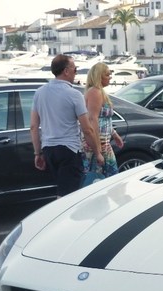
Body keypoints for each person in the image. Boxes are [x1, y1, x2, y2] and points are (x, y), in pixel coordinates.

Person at [31, 54, 102, 198]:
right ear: (66, 71)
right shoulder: (74, 94)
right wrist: (98, 152)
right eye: (75, 69)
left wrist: (37, 153)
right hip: (69, 150)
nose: (76, 73)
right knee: (68, 197)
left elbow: (33, 126)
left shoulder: (39, 93)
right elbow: (87, 129)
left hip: (48, 149)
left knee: (61, 189)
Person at [83, 62, 125, 184]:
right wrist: (97, 150)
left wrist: (114, 134)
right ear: (99, 76)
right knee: (100, 180)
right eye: (107, 74)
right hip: (98, 144)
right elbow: (93, 120)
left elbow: (105, 120)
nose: (110, 77)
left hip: (104, 143)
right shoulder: (95, 92)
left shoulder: (100, 92)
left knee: (106, 179)